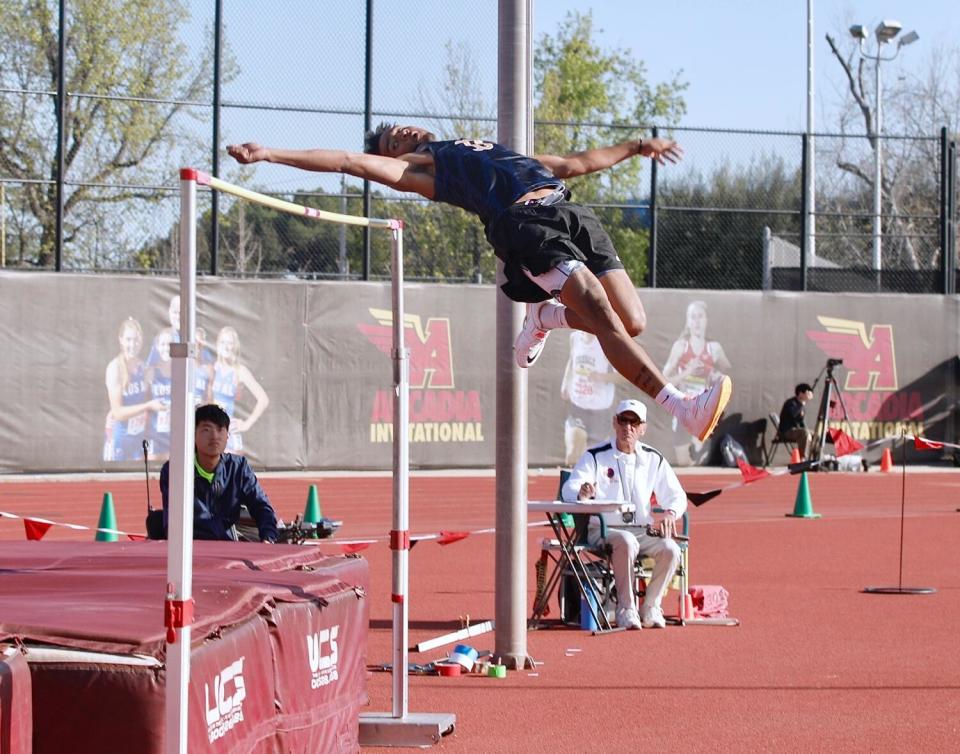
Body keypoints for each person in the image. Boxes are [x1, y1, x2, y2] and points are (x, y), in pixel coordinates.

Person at [227, 125, 731, 443]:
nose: (401, 135)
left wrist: (639, 146)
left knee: (630, 323)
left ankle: (546, 316)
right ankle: (681, 408)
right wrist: (271, 153)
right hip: (525, 226)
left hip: (569, 209)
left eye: (399, 131)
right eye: (393, 143)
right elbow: (349, 162)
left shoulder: (487, 148)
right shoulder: (428, 172)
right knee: (599, 312)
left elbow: (575, 165)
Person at [562, 398, 686, 630]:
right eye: (623, 420)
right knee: (626, 542)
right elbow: (569, 487)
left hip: (642, 530)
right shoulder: (595, 455)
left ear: (642, 428)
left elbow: (677, 495)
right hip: (604, 530)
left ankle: (651, 606)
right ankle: (626, 608)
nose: (627, 427)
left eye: (633, 422)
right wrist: (581, 491)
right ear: (614, 422)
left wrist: (671, 512)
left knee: (671, 549)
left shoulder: (653, 458)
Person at [159, 403, 279, 542]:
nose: (215, 436)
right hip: (188, 548)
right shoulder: (175, 470)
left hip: (226, 549)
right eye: (206, 429)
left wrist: (268, 537)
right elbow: (195, 520)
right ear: (192, 435)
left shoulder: (238, 468)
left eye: (220, 429)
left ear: (228, 435)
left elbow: (261, 506)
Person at [662, 300, 732, 464]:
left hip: (703, 411)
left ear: (707, 320)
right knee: (684, 463)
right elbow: (664, 379)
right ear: (687, 321)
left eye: (700, 317)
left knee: (699, 459)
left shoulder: (714, 348)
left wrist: (717, 376)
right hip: (683, 410)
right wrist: (687, 372)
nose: (697, 321)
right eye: (693, 317)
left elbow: (729, 373)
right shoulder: (680, 347)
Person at [104, 317, 165, 462]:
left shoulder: (143, 367)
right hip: (120, 439)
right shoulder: (115, 368)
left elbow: (148, 398)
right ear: (121, 340)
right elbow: (118, 413)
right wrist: (147, 406)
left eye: (136, 340)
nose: (133, 344)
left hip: (138, 438)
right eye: (128, 340)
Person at [561, 331, 622, 466]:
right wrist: (566, 383)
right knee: (572, 456)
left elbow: (623, 376)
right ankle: (569, 486)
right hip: (578, 406)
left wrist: (601, 377)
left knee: (595, 463)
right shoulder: (575, 337)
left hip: (600, 412)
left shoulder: (606, 342)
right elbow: (571, 360)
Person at [208, 326, 270, 454]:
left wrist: (247, 424)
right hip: (211, 431)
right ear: (217, 345)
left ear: (235, 346)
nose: (226, 346)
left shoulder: (240, 371)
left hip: (229, 432)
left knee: (231, 471)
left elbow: (263, 399)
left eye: (230, 343)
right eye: (223, 342)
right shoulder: (212, 368)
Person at [779, 383, 815, 460]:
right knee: (804, 433)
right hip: (786, 431)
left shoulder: (801, 405)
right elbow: (793, 414)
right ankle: (803, 459)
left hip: (796, 430)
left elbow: (801, 422)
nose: (809, 394)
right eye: (807, 392)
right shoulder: (791, 403)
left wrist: (808, 431)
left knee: (816, 435)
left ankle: (814, 458)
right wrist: (802, 404)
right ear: (801, 393)